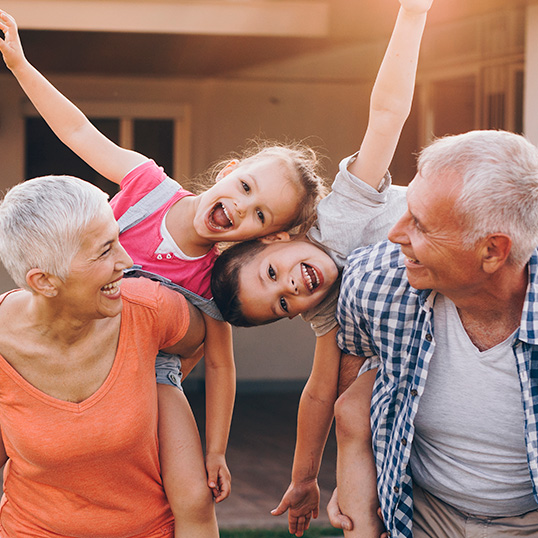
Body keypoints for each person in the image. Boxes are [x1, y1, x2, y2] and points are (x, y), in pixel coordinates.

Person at [0, 9, 326, 535]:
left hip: (150, 375)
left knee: (191, 494)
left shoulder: (216, 278)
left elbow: (221, 366)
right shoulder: (148, 186)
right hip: (74, 334)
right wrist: (19, 65)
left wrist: (216, 451)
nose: (242, 207)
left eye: (261, 214)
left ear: (263, 237)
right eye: (245, 187)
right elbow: (78, 131)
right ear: (228, 172)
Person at [211, 0, 432, 535]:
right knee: (352, 403)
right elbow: (318, 390)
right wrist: (304, 476)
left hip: (477, 240)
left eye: (272, 274)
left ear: (278, 237)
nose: (291, 287)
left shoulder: (337, 220)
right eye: (283, 304)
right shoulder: (329, 310)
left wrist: (412, 14)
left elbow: (386, 116)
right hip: (444, 319)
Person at [329, 129, 538, 538]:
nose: (395, 233)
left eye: (420, 225)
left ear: (493, 251)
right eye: (407, 210)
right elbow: (354, 357)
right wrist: (365, 478)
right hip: (424, 510)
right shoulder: (374, 280)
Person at [0, 173, 209, 537]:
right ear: (44, 282)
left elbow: (202, 339)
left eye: (116, 240)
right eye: (103, 251)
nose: (126, 260)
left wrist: (154, 383)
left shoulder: (150, 308)